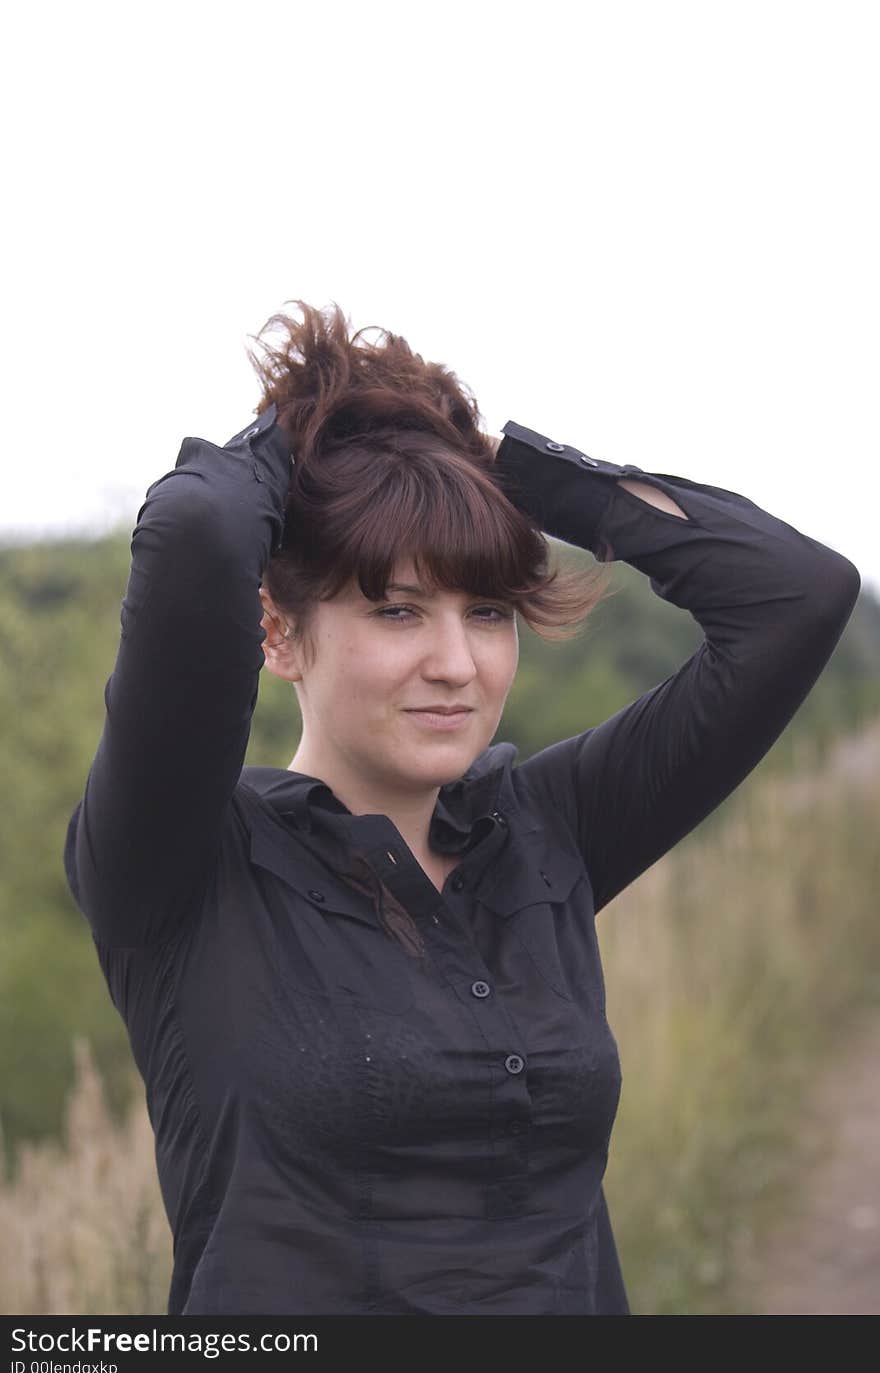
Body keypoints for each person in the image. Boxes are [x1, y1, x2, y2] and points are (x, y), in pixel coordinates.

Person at [63, 299, 861, 1316]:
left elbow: (795, 591)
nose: (456, 665)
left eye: (485, 611)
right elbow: (198, 527)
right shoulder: (183, 864)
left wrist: (496, 466)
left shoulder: (546, 831)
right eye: (395, 609)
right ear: (277, 634)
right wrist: (321, 423)